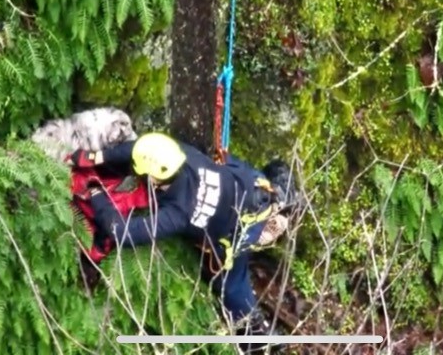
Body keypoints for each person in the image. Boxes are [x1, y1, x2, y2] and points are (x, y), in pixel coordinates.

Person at [69, 132, 288, 354]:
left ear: (154, 178)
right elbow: (142, 148)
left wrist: (96, 193)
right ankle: (280, 185)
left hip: (244, 224)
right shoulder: (181, 154)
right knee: (249, 172)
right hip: (248, 182)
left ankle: (257, 337)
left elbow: (121, 232)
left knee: (232, 287)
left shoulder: (178, 213)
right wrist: (96, 157)